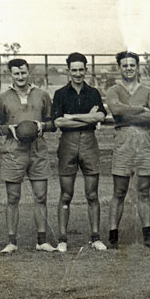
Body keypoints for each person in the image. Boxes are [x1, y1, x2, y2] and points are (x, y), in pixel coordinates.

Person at [0, 58, 57, 253]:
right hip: (14, 150)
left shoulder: (43, 95)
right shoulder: (2, 98)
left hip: (37, 149)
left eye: (23, 73)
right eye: (16, 73)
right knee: (13, 197)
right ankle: (12, 241)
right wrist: (9, 129)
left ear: (29, 72)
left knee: (41, 196)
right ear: (10, 75)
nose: (20, 77)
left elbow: (53, 123)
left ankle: (41, 240)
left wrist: (42, 126)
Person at [106, 51, 150, 248]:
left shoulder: (148, 91)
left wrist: (128, 112)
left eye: (132, 65)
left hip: (144, 142)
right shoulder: (114, 90)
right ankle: (113, 234)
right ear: (119, 68)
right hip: (123, 142)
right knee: (119, 190)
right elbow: (116, 111)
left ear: (138, 67)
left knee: (144, 191)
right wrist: (141, 110)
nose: (129, 68)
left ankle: (148, 233)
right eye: (125, 65)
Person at [52, 52, 107, 252]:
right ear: (68, 71)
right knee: (66, 194)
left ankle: (95, 237)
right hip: (67, 142)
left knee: (92, 194)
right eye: (73, 70)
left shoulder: (93, 92)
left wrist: (73, 117)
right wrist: (87, 117)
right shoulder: (60, 94)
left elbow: (100, 116)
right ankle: (62, 239)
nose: (77, 74)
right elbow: (58, 121)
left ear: (86, 70)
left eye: (81, 69)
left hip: (89, 142)